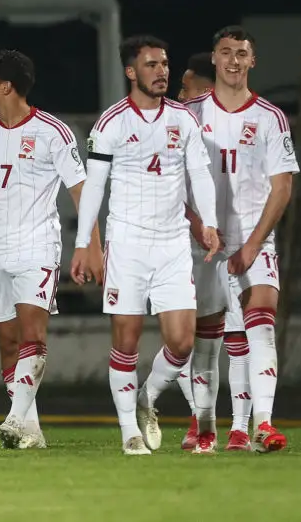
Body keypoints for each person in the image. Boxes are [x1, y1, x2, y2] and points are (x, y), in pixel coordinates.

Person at [69, 35, 220, 456]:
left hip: (172, 245)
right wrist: (85, 244)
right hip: (128, 244)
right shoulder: (112, 122)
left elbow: (200, 175)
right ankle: (129, 433)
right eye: (152, 65)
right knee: (127, 339)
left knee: (182, 341)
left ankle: (146, 397)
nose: (162, 72)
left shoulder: (182, 120)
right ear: (131, 72)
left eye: (165, 64)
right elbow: (94, 186)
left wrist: (208, 223)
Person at [0, 49, 102, 449]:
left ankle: (15, 418)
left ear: (6, 86)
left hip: (38, 246)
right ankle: (31, 430)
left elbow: (81, 191)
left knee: (32, 332)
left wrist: (91, 246)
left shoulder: (54, 132)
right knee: (7, 342)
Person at [177, 26, 299, 454]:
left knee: (260, 323)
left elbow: (282, 186)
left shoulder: (270, 117)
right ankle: (206, 422)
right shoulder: (188, 114)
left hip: (254, 239)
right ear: (213, 59)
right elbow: (173, 181)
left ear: (252, 61)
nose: (233, 60)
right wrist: (197, 224)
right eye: (225, 53)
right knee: (208, 338)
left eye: (241, 54)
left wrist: (252, 244)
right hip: (203, 242)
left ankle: (259, 424)